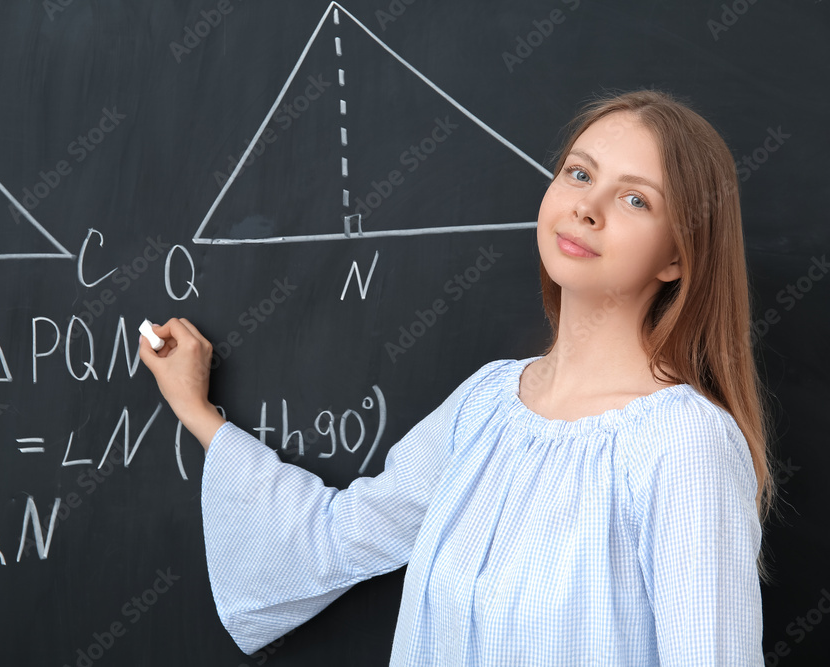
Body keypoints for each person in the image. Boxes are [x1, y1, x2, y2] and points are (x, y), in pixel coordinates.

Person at [139, 90, 772, 666]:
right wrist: (198, 411)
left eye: (635, 199)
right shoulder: (489, 405)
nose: (587, 207)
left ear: (677, 256)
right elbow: (343, 536)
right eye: (579, 174)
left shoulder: (685, 445)